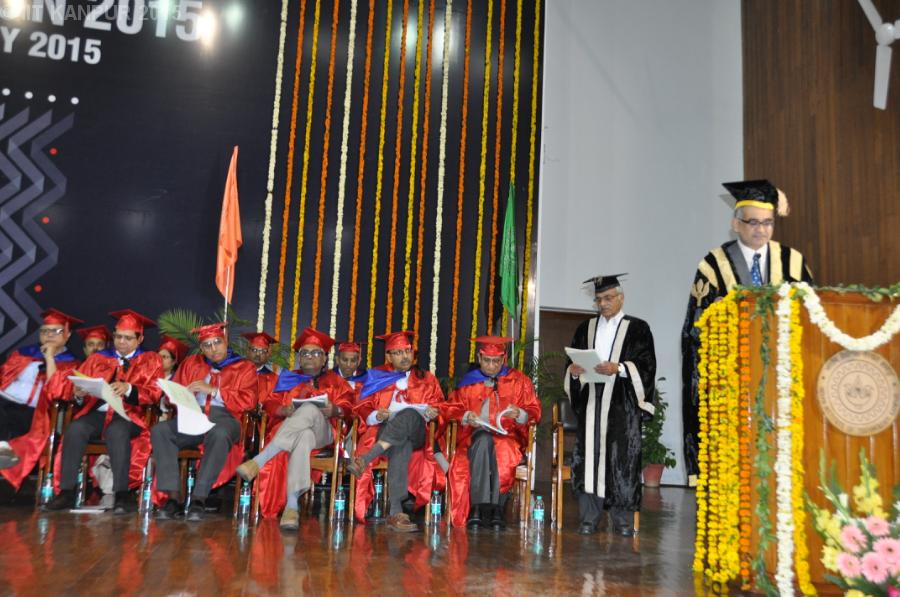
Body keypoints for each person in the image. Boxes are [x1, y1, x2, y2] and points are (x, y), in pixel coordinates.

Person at [681, 179, 813, 485]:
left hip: (780, 378)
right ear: (736, 224)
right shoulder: (714, 265)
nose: (761, 230)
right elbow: (696, 325)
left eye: (768, 222)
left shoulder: (793, 262)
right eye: (753, 222)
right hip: (733, 378)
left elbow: (810, 317)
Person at [46, 310, 163, 514]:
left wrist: (129, 389)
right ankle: (66, 491)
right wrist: (79, 394)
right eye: (118, 336)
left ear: (140, 339)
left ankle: (122, 494)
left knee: (117, 431)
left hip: (130, 415)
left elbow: (154, 393)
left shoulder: (150, 360)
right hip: (98, 414)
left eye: (128, 338)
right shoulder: (98, 358)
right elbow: (79, 389)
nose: (121, 342)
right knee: (75, 429)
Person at [566, 274, 656, 536]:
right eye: (598, 299)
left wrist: (620, 368)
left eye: (608, 298)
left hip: (622, 404)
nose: (603, 303)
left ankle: (623, 519)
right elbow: (571, 363)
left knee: (622, 460)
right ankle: (589, 517)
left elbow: (647, 365)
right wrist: (574, 371)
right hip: (592, 402)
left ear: (621, 298)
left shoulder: (638, 328)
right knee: (589, 458)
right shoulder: (585, 329)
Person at [236, 327, 353, 529]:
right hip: (298, 435)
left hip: (325, 434)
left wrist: (335, 410)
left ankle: (259, 460)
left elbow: (350, 408)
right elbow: (269, 403)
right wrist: (283, 410)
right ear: (299, 358)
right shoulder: (288, 378)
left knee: (309, 408)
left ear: (324, 359)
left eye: (315, 353)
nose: (309, 357)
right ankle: (292, 507)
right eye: (305, 353)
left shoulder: (336, 381)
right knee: (304, 436)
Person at [150, 323, 257, 521]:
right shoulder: (192, 363)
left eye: (217, 342)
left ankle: (199, 498)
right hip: (193, 416)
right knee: (160, 431)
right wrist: (178, 396)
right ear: (201, 348)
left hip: (226, 418)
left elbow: (249, 401)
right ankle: (173, 498)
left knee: (219, 433)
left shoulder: (244, 367)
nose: (213, 348)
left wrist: (214, 391)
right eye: (207, 345)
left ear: (225, 341)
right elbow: (171, 396)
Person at [346, 331, 445, 532]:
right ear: (389, 356)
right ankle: (396, 512)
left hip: (418, 432)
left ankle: (365, 459)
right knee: (402, 445)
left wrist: (433, 413)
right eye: (398, 353)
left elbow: (442, 408)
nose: (404, 356)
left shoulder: (426, 378)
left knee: (409, 413)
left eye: (407, 351)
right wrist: (376, 415)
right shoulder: (377, 376)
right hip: (386, 432)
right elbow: (361, 406)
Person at [445, 336, 541, 530]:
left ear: (504, 358)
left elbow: (534, 409)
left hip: (508, 436)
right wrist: (466, 416)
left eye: (496, 361)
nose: (491, 366)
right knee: (482, 439)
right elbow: (450, 408)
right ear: (479, 358)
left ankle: (489, 508)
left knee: (502, 448)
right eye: (487, 360)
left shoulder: (519, 381)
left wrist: (521, 414)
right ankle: (486, 508)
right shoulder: (468, 382)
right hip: (473, 436)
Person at [0, 309, 81, 479]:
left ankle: (4, 449)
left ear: (67, 335)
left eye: (56, 331)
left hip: (41, 411)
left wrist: (50, 358)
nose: (49, 335)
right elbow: (4, 378)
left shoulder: (72, 364)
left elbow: (56, 391)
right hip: (7, 401)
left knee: (17, 417)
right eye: (45, 331)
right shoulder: (23, 354)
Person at [240, 331, 279, 404]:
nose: (258, 354)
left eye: (262, 351)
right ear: (248, 351)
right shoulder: (235, 373)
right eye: (254, 350)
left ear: (268, 354)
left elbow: (274, 403)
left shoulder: (274, 379)